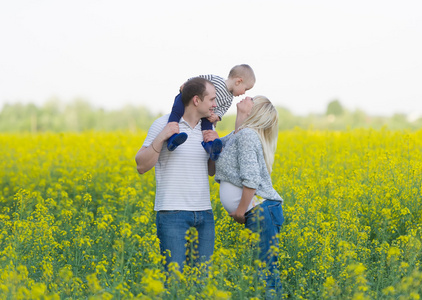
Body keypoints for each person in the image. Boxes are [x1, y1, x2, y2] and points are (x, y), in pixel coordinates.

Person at [135, 77, 220, 272]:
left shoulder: (208, 127)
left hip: (204, 214)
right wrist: (162, 137)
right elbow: (141, 166)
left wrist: (216, 149)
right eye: (212, 99)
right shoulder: (163, 124)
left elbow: (210, 171)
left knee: (202, 281)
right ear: (196, 100)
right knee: (174, 282)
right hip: (172, 214)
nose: (215, 105)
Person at [215, 95, 284, 299]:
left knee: (265, 274)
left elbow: (251, 180)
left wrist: (239, 211)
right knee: (262, 272)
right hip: (261, 212)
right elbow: (215, 151)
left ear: (254, 111)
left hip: (261, 211)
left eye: (252, 99)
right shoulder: (238, 134)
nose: (246, 96)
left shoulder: (246, 135)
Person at [166, 64, 256, 161]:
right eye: (245, 89)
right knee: (177, 110)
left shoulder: (229, 99)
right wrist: (187, 83)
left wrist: (217, 116)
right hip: (190, 100)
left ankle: (210, 146)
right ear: (238, 81)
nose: (244, 93)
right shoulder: (216, 80)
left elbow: (222, 110)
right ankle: (172, 137)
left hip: (206, 112)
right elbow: (198, 80)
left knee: (208, 129)